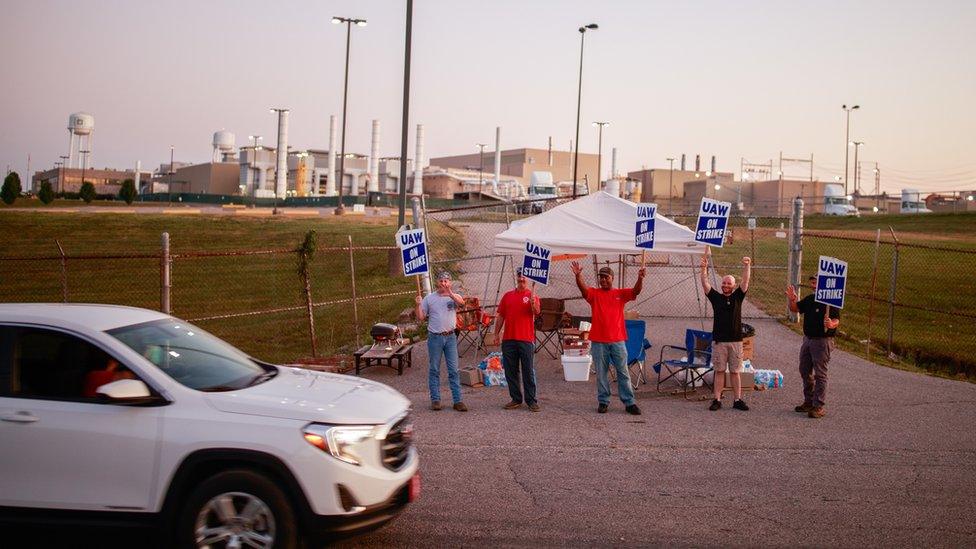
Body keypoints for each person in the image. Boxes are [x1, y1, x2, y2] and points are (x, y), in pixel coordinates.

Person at [570, 261, 645, 415]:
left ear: (612, 278)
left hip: (618, 340)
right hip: (598, 341)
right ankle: (603, 401)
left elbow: (636, 291)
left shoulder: (620, 294)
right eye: (601, 278)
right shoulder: (594, 294)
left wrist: (640, 278)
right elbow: (583, 290)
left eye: (606, 277)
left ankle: (629, 402)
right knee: (601, 373)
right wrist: (578, 276)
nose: (603, 280)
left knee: (623, 371)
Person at [700, 247, 751, 411]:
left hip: (736, 341)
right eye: (724, 283)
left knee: (735, 372)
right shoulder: (716, 298)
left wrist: (747, 266)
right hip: (719, 341)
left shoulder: (738, 297)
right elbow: (705, 284)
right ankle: (717, 399)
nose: (726, 285)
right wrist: (703, 269)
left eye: (729, 283)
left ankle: (737, 400)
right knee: (719, 371)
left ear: (733, 285)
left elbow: (745, 282)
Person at [787, 276, 841, 419]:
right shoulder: (810, 299)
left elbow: (836, 320)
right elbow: (795, 309)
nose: (813, 285)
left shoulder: (831, 301)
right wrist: (792, 299)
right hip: (808, 339)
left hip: (822, 341)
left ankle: (818, 406)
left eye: (816, 282)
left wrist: (831, 324)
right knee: (804, 370)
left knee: (820, 374)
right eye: (812, 282)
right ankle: (809, 401)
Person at [489, 267, 542, 411]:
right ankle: (516, 398)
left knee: (528, 371)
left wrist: (533, 301)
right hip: (509, 339)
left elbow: (536, 312)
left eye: (524, 276)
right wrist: (496, 334)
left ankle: (531, 401)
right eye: (520, 276)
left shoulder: (532, 295)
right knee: (511, 371)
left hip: (526, 339)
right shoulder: (507, 296)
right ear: (517, 277)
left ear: (528, 279)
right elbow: (501, 316)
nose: (522, 279)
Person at [415, 271, 468, 412]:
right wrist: (418, 305)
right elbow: (421, 317)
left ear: (450, 283)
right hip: (435, 338)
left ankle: (458, 401)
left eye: (446, 281)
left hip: (450, 337)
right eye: (441, 281)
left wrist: (450, 294)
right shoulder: (430, 298)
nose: (443, 283)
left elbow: (462, 304)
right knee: (434, 369)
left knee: (453, 370)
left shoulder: (454, 297)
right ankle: (436, 400)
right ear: (437, 282)